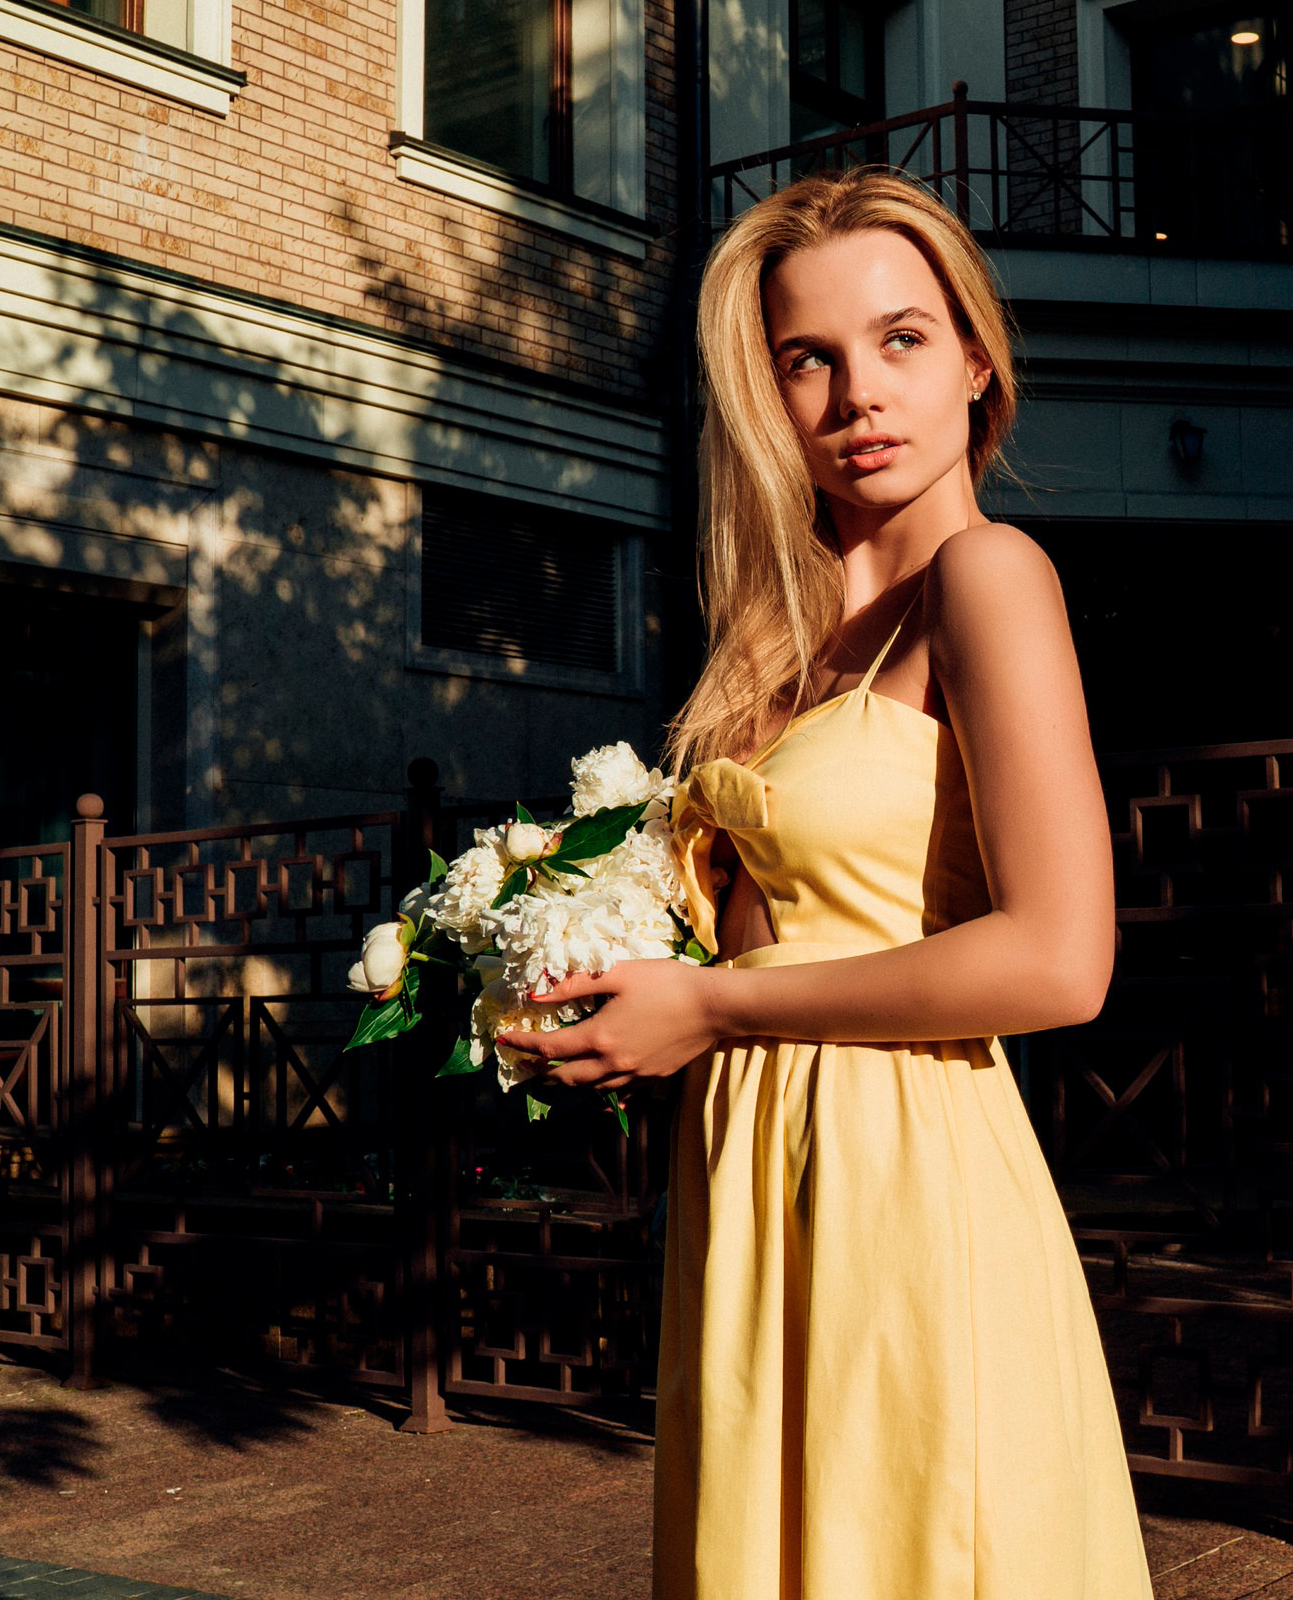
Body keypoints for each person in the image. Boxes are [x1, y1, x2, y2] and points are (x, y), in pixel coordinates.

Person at [494, 168, 1155, 1600]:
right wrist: (573, 990)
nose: (861, 391)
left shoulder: (990, 579)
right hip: (753, 1190)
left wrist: (718, 1013)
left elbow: (1062, 960)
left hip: (905, 1187)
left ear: (977, 361)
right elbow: (737, 934)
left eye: (904, 339)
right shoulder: (771, 642)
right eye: (812, 357)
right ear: (766, 389)